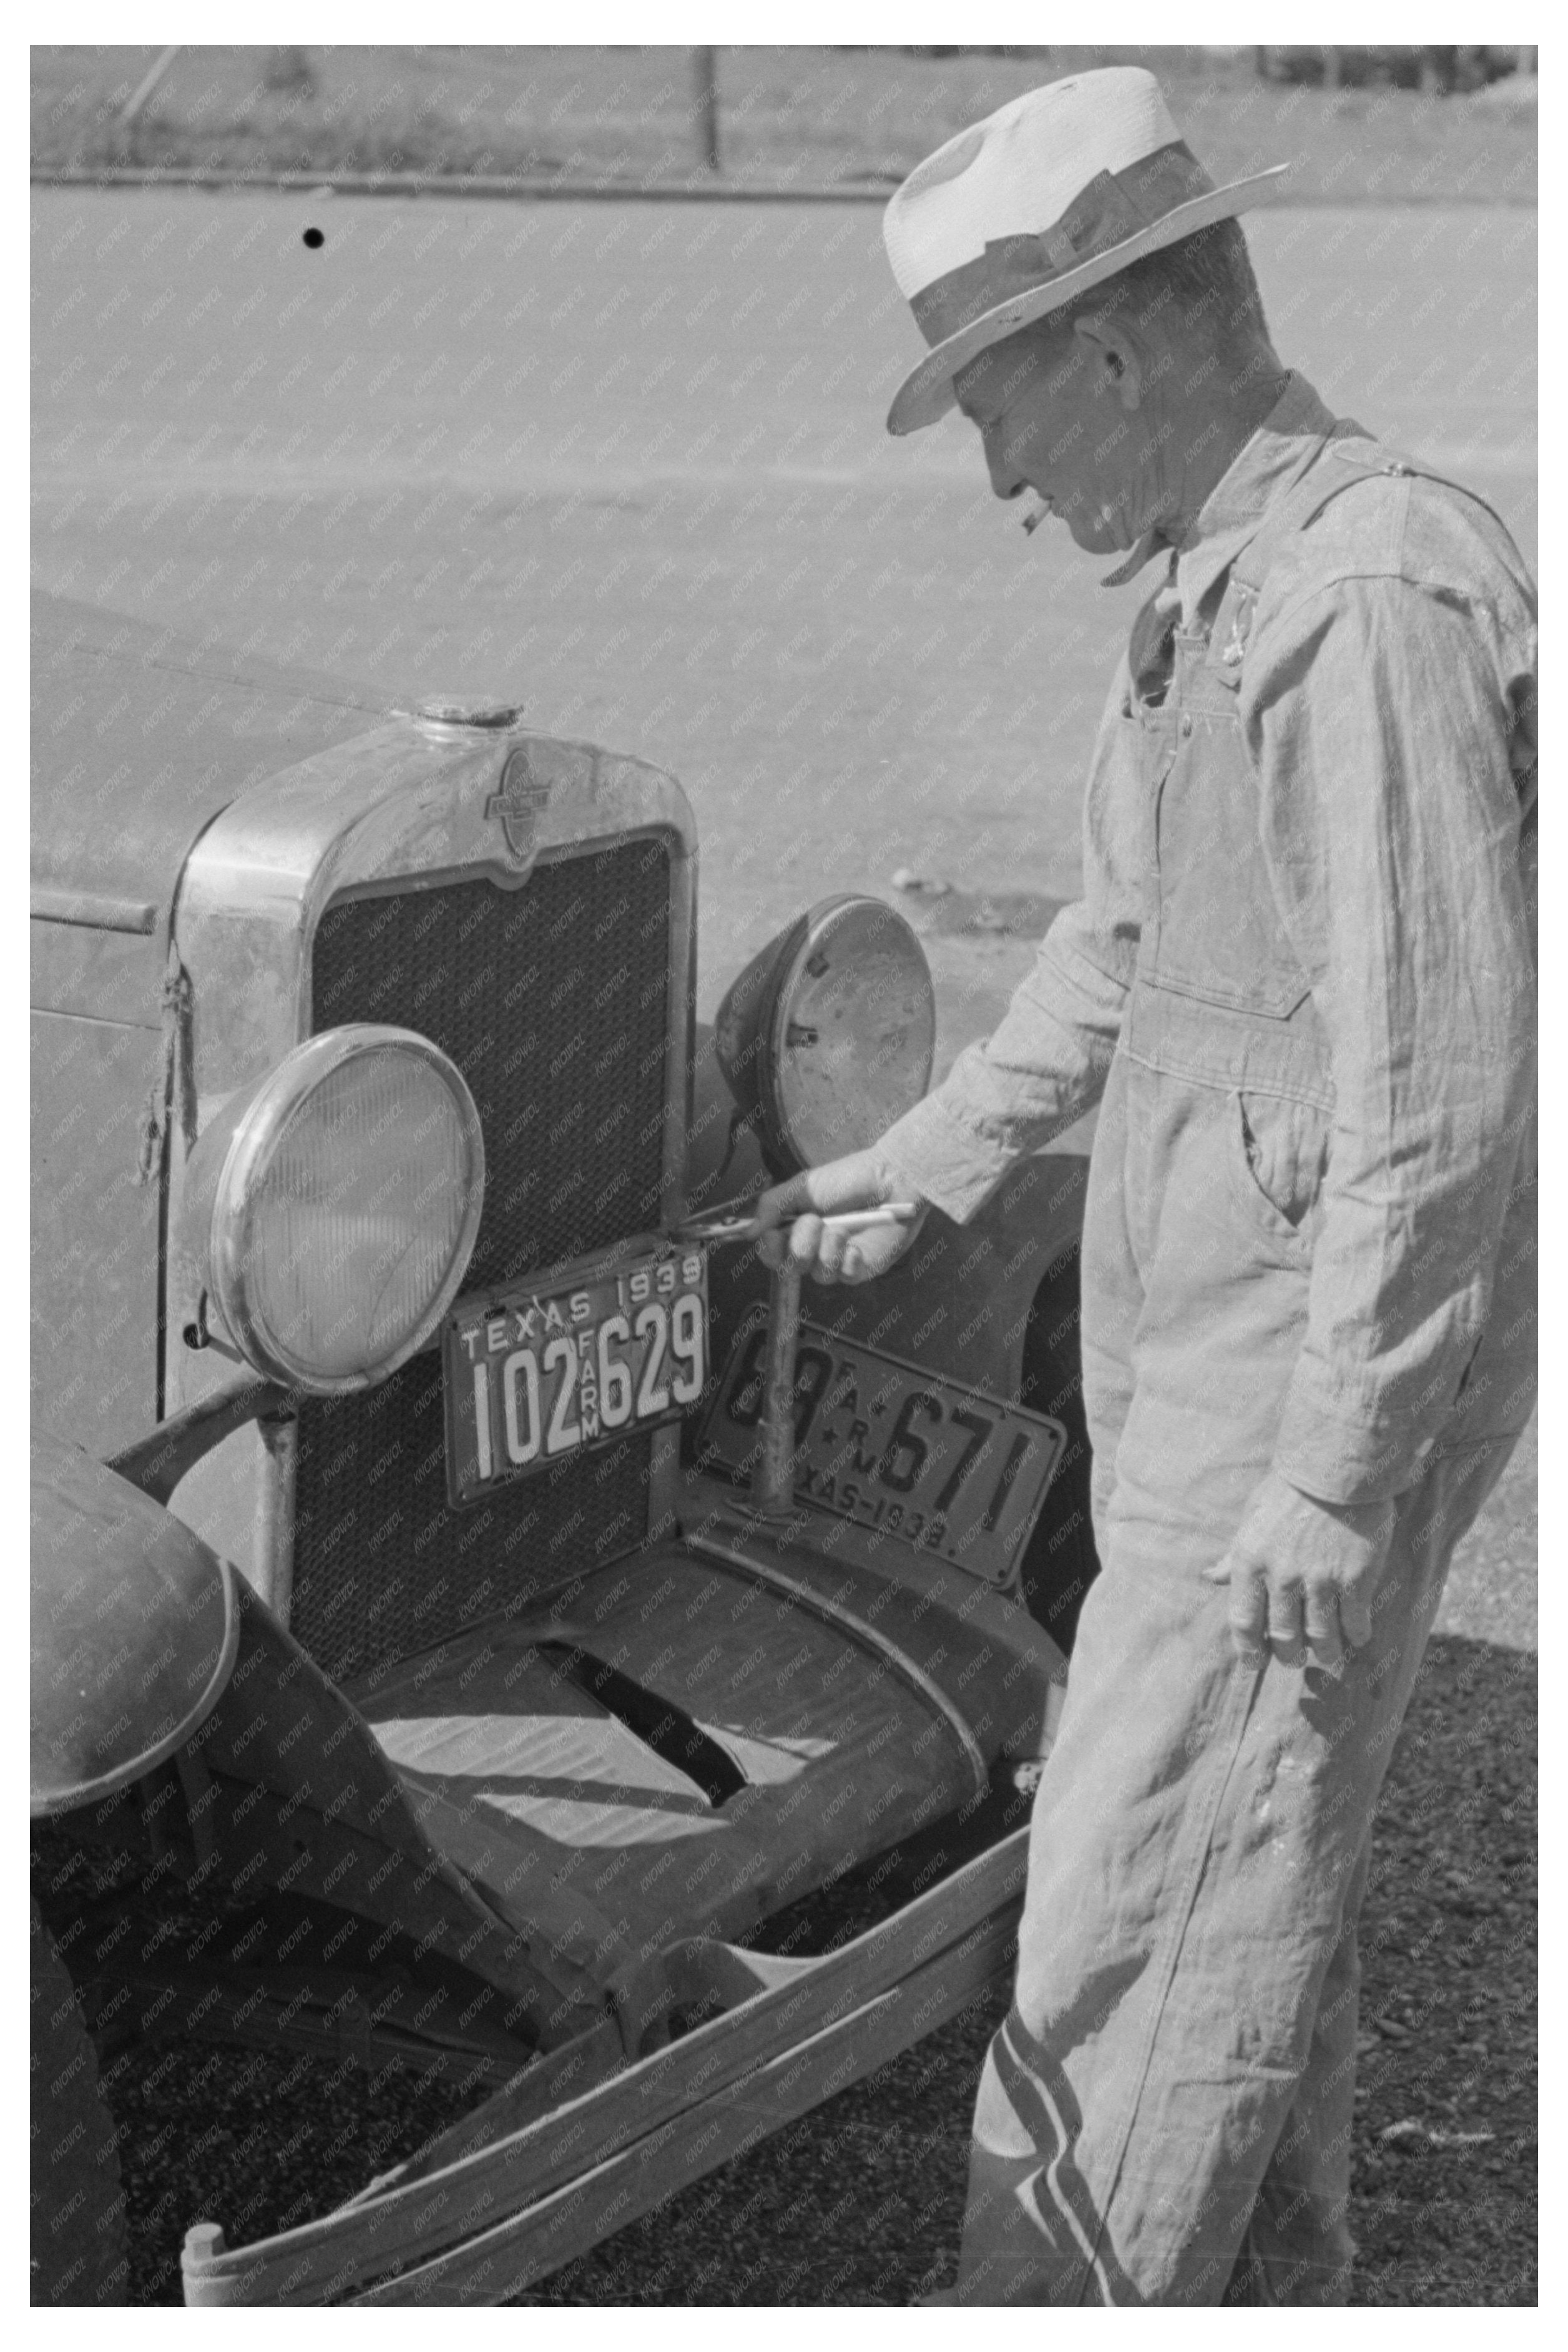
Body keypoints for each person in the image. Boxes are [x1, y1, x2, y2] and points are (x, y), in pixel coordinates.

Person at [755, 66, 1537, 2306]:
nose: (1002, 479)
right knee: (1241, 1883)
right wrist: (927, 1158)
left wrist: (1328, 1476)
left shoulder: (1362, 602)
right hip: (1218, 1375)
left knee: (1127, 1927)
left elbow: (1438, 1103)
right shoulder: (1217, 583)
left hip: (1291, 1403)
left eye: (1000, 412)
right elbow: (1119, 946)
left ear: (1111, 348)